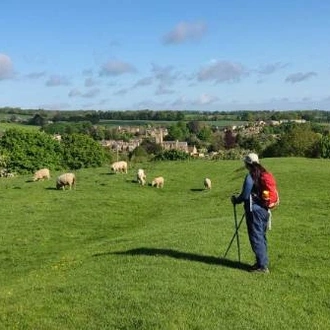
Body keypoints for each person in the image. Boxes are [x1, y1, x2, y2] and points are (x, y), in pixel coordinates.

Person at [231, 152, 270, 274]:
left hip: (254, 211)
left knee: (256, 237)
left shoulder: (250, 176)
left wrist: (235, 200)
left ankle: (262, 267)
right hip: (264, 210)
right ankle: (261, 262)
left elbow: (245, 195)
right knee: (261, 236)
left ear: (247, 163)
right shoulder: (263, 174)